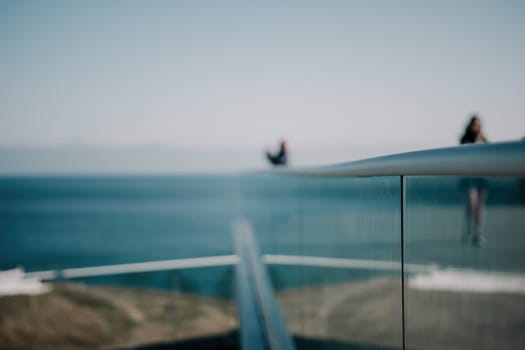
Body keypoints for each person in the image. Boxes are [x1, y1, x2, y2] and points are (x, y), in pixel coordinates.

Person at [459, 115, 488, 245]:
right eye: (473, 124)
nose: (475, 126)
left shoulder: (484, 140)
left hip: (481, 177)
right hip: (469, 177)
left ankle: (478, 232)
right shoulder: (465, 139)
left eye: (477, 124)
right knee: (471, 204)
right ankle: (468, 230)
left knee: (479, 207)